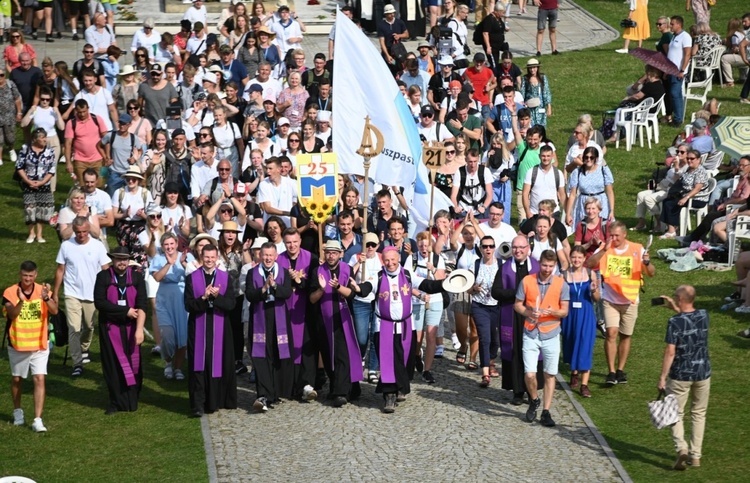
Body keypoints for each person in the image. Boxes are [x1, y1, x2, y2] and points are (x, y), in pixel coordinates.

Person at [587, 221, 655, 385]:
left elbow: (651, 273)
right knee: (611, 333)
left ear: (625, 235)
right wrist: (603, 250)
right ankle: (610, 371)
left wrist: (646, 262)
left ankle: (620, 370)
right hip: (610, 300)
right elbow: (589, 264)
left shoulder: (637, 249)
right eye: (612, 235)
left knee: (626, 335)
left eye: (617, 235)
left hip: (630, 300)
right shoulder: (606, 249)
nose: (614, 238)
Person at [657, 285, 711, 471]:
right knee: (699, 413)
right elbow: (690, 320)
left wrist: (663, 377)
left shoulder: (674, 322)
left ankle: (681, 448)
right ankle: (696, 456)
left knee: (676, 413)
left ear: (680, 299)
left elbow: (670, 351)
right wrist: (677, 308)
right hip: (703, 372)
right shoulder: (704, 315)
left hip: (681, 374)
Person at [514, 249, 569, 427]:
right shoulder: (527, 281)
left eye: (551, 266)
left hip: (551, 333)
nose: (547, 269)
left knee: (549, 374)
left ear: (555, 267)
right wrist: (528, 312)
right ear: (540, 263)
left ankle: (546, 411)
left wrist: (553, 312)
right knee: (529, 374)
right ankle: (534, 399)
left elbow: (565, 311)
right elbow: (517, 305)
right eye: (544, 265)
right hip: (530, 331)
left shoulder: (561, 284)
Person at [53, 217, 112, 377]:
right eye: (78, 232)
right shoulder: (66, 246)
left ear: (88, 229)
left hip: (92, 294)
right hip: (72, 293)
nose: (81, 235)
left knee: (89, 326)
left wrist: (109, 291)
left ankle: (84, 348)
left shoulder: (98, 245)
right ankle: (77, 363)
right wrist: (55, 293)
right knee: (74, 328)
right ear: (74, 230)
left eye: (85, 232)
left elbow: (106, 269)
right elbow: (60, 270)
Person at [4, 260, 58, 432]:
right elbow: (11, 315)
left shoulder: (43, 290)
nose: (27, 278)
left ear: (36, 275)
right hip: (18, 344)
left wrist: (46, 297)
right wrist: (20, 302)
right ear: (20, 274)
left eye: (30, 275)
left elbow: (55, 311)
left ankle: (37, 419)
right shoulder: (10, 292)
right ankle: (18, 411)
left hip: (40, 344)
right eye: (24, 275)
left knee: (39, 378)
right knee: (17, 379)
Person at [309, 240, 363, 407]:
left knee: (341, 355)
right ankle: (338, 387)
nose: (331, 255)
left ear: (340, 254)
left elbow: (352, 294)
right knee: (328, 355)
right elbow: (311, 299)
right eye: (328, 252)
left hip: (342, 318)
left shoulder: (347, 270)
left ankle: (341, 392)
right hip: (323, 319)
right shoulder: (318, 271)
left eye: (334, 252)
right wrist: (322, 289)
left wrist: (338, 286)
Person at [185, 243, 237, 417]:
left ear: (217, 258)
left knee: (218, 363)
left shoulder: (225, 277)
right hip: (199, 326)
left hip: (220, 328)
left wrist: (216, 297)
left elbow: (231, 304)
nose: (209, 260)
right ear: (201, 257)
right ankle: (198, 405)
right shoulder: (192, 278)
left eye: (212, 257)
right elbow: (188, 305)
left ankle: (216, 401)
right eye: (206, 257)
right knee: (198, 366)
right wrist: (204, 297)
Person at [93, 247, 147, 415]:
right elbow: (100, 303)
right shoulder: (103, 277)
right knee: (113, 365)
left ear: (129, 260)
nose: (121, 262)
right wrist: (124, 311)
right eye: (118, 259)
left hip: (131, 327)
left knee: (134, 363)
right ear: (112, 260)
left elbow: (142, 305)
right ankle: (116, 401)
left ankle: (132, 399)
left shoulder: (137, 278)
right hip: (110, 327)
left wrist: (140, 330)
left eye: (124, 259)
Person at [245, 241, 295, 412]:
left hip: (279, 316)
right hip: (260, 316)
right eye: (264, 255)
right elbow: (250, 295)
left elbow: (287, 292)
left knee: (276, 354)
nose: (267, 258)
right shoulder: (252, 273)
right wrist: (264, 288)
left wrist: (274, 286)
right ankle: (262, 395)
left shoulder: (283, 272)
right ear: (260, 256)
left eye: (270, 255)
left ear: (275, 256)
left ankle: (274, 394)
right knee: (261, 355)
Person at [277, 228, 318, 399]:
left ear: (300, 241)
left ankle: (307, 384)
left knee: (306, 346)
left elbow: (315, 284)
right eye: (288, 242)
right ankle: (289, 386)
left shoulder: (311, 259)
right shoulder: (279, 260)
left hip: (305, 309)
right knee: (286, 345)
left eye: (295, 242)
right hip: (285, 309)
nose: (292, 245)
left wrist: (300, 281)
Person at [561, 246, 599, 398]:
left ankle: (584, 384)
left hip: (586, 314)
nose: (576, 260)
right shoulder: (563, 275)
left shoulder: (590, 274)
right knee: (570, 344)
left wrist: (594, 290)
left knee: (585, 345)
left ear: (584, 259)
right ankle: (574, 372)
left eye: (579, 257)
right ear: (570, 258)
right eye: (574, 257)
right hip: (570, 315)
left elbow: (597, 299)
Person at [469, 235, 500, 388]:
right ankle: (485, 373)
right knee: (485, 338)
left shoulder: (501, 265)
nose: (488, 249)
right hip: (479, 305)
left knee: (495, 340)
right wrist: (474, 288)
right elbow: (467, 289)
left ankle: (491, 360)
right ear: (480, 248)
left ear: (494, 248)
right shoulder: (475, 265)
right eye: (485, 246)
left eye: (491, 246)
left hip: (496, 306)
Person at [15, 128, 56, 243]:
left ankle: (39, 235)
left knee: (42, 209)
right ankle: (31, 233)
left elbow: (52, 169)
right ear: (34, 139)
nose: (44, 140)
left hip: (44, 184)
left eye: (45, 137)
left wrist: (42, 182)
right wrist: (28, 181)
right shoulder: (25, 149)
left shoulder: (49, 151)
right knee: (30, 208)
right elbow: (19, 167)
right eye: (42, 137)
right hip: (29, 184)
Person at [658, 149, 708, 239]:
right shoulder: (689, 169)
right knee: (667, 201)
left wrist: (686, 197)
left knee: (671, 204)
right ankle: (673, 227)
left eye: (692, 158)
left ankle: (671, 231)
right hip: (684, 194)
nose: (689, 160)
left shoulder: (700, 171)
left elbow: (697, 189)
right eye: (688, 158)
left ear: (698, 160)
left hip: (697, 198)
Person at [565, 147, 615, 228]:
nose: (589, 159)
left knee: (602, 230)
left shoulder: (603, 170)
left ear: (596, 158)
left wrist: (612, 210)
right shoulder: (577, 172)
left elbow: (610, 192)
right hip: (584, 204)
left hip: (601, 203)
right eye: (586, 157)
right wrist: (568, 214)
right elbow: (572, 195)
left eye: (591, 157)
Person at [666, 16, 692, 126]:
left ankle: (678, 119)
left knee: (675, 94)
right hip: (670, 70)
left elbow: (687, 54)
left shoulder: (685, 37)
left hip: (678, 71)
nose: (670, 26)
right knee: (674, 94)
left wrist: (682, 70)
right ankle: (675, 117)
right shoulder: (674, 36)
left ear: (679, 25)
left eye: (672, 24)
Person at [378, 4, 409, 76]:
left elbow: (407, 34)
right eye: (390, 13)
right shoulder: (381, 25)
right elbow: (382, 42)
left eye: (393, 13)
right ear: (386, 14)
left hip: (397, 51)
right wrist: (387, 55)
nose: (392, 15)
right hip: (387, 51)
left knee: (399, 70)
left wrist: (399, 36)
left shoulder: (399, 22)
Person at [520, 58, 552, 127]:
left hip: (540, 107)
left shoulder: (543, 77)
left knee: (541, 127)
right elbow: (522, 92)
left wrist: (549, 107)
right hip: (529, 107)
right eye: (530, 68)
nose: (532, 70)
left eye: (534, 67)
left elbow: (546, 92)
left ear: (537, 68)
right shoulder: (525, 78)